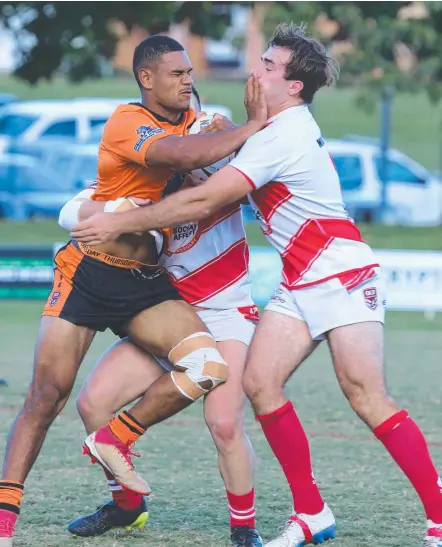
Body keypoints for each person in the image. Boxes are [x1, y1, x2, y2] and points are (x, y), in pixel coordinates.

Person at [72, 23, 442, 547]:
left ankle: (439, 516)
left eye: (268, 65)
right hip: (298, 279)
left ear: (293, 86)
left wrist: (117, 222)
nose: (255, 71)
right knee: (260, 385)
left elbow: (205, 198)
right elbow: (198, 164)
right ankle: (310, 512)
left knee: (366, 395)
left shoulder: (284, 133)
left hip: (340, 271)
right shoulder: (266, 133)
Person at [0, 35, 267, 547]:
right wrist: (251, 125)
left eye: (191, 72)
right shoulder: (129, 122)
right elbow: (181, 153)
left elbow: (215, 141)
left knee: (208, 368)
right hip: (89, 272)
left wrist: (239, 126)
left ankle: (114, 440)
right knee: (47, 396)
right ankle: (7, 519)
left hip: (145, 282)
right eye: (177, 73)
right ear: (146, 78)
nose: (189, 79)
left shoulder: (199, 122)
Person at [59, 87, 262, 547]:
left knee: (224, 423)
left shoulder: (222, 169)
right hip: (167, 312)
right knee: (92, 402)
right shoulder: (148, 180)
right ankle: (126, 508)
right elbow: (71, 209)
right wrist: (118, 208)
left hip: (226, 312)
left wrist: (219, 132)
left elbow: (230, 149)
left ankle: (244, 527)